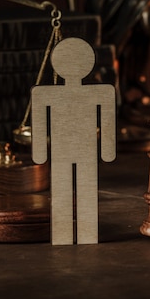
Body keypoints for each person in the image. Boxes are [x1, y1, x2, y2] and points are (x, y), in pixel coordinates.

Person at [31, 37, 116, 245]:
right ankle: (65, 235)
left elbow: (107, 122)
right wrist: (107, 151)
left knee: (79, 191)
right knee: (63, 193)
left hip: (79, 152)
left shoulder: (102, 92)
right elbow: (40, 123)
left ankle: (83, 234)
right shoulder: (44, 94)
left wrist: (40, 153)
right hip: (68, 152)